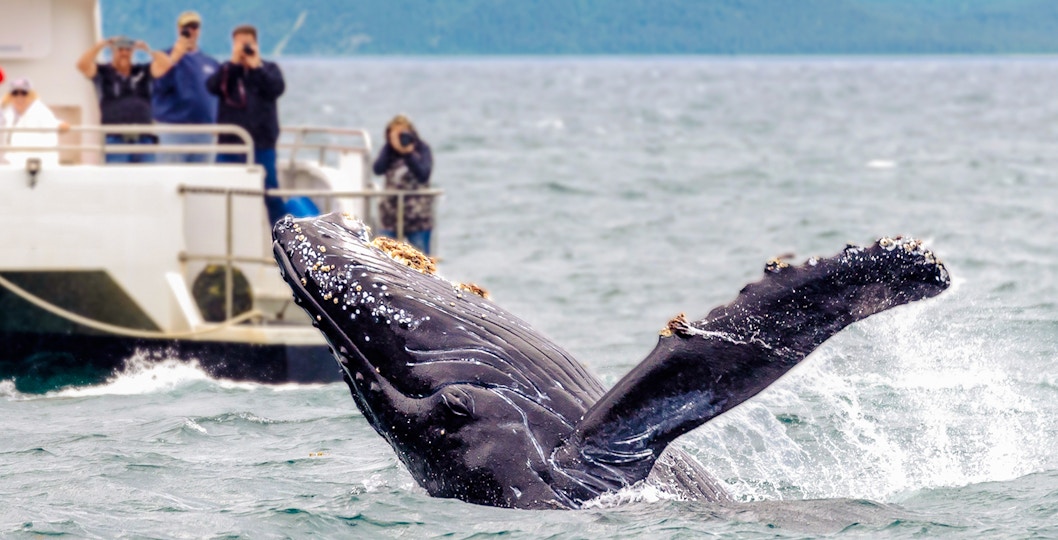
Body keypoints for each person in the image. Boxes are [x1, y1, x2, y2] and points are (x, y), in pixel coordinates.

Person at [207, 24, 286, 225]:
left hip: (262, 144)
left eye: (247, 43)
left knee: (271, 194)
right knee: (222, 194)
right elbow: (212, 86)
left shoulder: (268, 69)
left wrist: (256, 66)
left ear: (256, 44)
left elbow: (276, 88)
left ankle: (285, 243)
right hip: (230, 145)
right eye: (239, 43)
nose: (243, 48)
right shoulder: (226, 71)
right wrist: (234, 64)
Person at [76, 36, 172, 163]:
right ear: (113, 52)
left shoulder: (143, 71)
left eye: (128, 50)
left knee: (148, 180)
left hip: (144, 139)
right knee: (120, 180)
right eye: (120, 49)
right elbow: (82, 65)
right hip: (116, 139)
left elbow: (166, 64)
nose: (124, 53)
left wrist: (148, 50)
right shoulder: (103, 72)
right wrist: (101, 45)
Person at [152, 10, 219, 163]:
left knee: (201, 182)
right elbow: (158, 85)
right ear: (178, 30)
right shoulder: (163, 56)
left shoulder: (210, 62)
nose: (190, 32)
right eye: (186, 28)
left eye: (194, 27)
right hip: (173, 130)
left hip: (204, 132)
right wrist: (174, 57)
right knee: (171, 178)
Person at [373, 115, 435, 255]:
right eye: (396, 134)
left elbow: (423, 174)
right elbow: (378, 169)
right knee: (385, 259)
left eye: (403, 134)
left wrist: (408, 153)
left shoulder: (421, 149)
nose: (401, 138)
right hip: (390, 216)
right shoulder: (389, 151)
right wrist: (390, 146)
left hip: (417, 216)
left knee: (420, 261)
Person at [1, 78, 68, 167]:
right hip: (15, 164)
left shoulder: (39, 110)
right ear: (10, 96)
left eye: (24, 93)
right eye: (15, 93)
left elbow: (55, 124)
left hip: (40, 165)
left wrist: (61, 126)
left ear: (31, 95)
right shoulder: (9, 113)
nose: (19, 97)